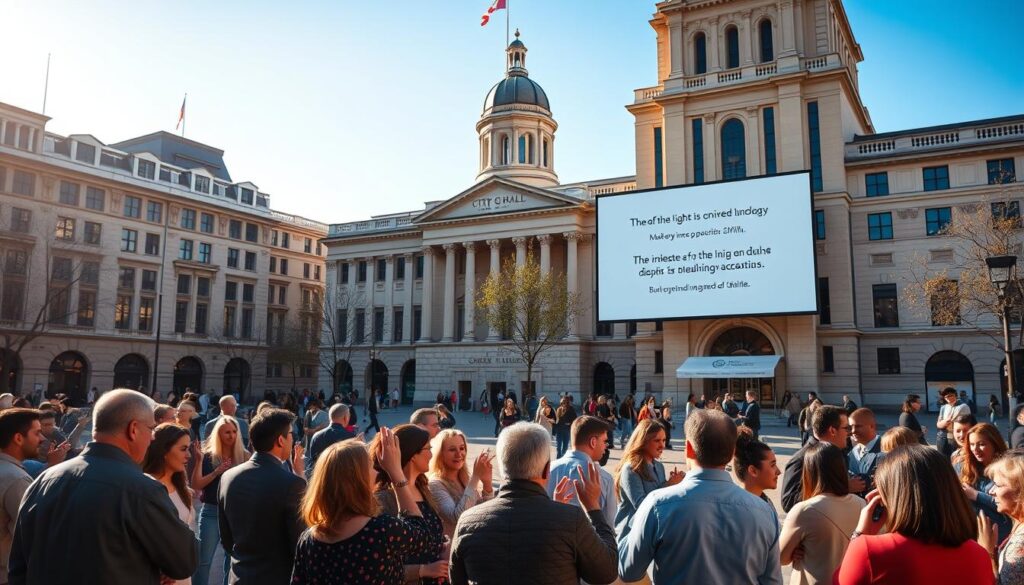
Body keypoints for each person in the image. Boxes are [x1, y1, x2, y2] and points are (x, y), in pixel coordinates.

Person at [10, 389, 197, 584]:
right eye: (151, 429)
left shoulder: (44, 480)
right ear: (133, 429)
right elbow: (184, 561)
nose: (152, 438)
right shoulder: (143, 490)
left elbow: (18, 568)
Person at [619, 409, 781, 585]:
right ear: (732, 452)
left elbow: (628, 570)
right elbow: (772, 581)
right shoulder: (764, 511)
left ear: (689, 449)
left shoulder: (657, 505)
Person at [449, 422, 617, 585]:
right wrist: (593, 508)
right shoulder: (571, 520)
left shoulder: (467, 521)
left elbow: (457, 578)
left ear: (502, 467)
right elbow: (606, 572)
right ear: (546, 470)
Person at [290, 431, 441, 585]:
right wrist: (396, 473)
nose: (376, 472)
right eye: (370, 466)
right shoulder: (381, 530)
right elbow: (423, 537)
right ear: (357, 479)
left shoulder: (308, 540)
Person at [833, 445, 993, 585]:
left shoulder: (870, 551)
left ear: (892, 497)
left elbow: (840, 581)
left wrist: (859, 535)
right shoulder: (979, 556)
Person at [218, 408, 306, 585]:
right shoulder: (292, 484)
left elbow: (226, 538)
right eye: (291, 434)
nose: (293, 439)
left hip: (239, 576)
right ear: (280, 440)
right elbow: (300, 544)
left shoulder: (228, 476)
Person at [372, 424, 448, 584]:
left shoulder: (424, 488)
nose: (432, 454)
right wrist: (422, 570)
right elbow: (378, 564)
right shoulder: (383, 499)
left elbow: (431, 537)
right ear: (413, 454)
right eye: (428, 448)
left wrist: (442, 547)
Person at [780, 442, 865, 584]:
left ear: (809, 472)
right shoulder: (861, 503)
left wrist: (795, 550)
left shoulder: (804, 510)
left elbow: (781, 557)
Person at [191, 415, 247, 585]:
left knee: (231, 562)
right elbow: (196, 485)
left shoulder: (245, 456)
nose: (231, 435)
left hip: (236, 514)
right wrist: (216, 472)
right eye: (227, 432)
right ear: (218, 434)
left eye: (234, 431)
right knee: (204, 560)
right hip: (211, 511)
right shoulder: (208, 456)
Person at [782, 405, 864, 513]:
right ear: (832, 431)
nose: (850, 433)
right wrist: (842, 488)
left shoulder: (839, 453)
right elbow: (788, 502)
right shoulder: (802, 459)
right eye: (846, 428)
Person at [143, 424, 197, 585]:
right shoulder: (144, 488)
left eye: (189, 449)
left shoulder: (183, 489)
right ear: (164, 451)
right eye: (183, 449)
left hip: (182, 575)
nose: (189, 455)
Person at [614, 419, 684, 537]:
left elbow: (661, 498)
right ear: (643, 441)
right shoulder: (631, 469)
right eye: (657, 441)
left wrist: (674, 485)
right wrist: (669, 485)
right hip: (631, 536)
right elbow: (642, 506)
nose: (662, 445)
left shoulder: (659, 466)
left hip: (651, 534)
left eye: (664, 440)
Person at [547, 416, 617, 526]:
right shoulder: (604, 478)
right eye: (604, 441)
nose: (605, 446)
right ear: (593, 442)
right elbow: (609, 525)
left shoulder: (548, 470)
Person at [427, 429, 494, 538]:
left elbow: (486, 513)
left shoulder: (466, 479)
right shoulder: (435, 484)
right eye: (452, 449)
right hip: (454, 545)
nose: (459, 454)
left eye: (462, 448)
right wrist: (475, 477)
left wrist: (487, 484)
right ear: (440, 454)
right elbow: (456, 518)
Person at [0, 409, 41, 584]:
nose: (42, 439)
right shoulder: (17, 479)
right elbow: (31, 536)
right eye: (37, 433)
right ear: (18, 438)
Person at [976, 449, 1024, 584]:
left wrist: (987, 553)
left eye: (998, 485)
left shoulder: (1019, 547)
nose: (991, 492)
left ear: (1021, 491)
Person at [962, 422, 1013, 544]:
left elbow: (1012, 505)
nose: (975, 449)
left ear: (995, 444)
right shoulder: (967, 468)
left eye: (981, 444)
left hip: (1001, 538)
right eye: (972, 444)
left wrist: (976, 495)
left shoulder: (1008, 469)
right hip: (974, 536)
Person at [732, 426, 780, 518]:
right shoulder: (744, 510)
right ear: (753, 471)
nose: (778, 471)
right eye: (772, 465)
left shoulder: (764, 501)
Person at [306, 403, 356, 474]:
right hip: (341, 478)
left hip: (320, 476)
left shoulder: (316, 436)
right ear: (345, 418)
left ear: (330, 417)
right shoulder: (351, 437)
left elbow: (312, 462)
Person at [848, 408, 883, 497]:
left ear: (872, 426)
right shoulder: (852, 453)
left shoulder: (885, 449)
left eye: (858, 426)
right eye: (850, 427)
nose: (853, 431)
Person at [936, 387, 971, 457]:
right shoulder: (943, 407)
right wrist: (945, 422)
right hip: (943, 436)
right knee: (943, 458)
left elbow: (968, 423)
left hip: (957, 437)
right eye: (946, 396)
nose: (948, 398)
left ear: (955, 395)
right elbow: (938, 424)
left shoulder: (963, 406)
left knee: (957, 458)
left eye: (950, 395)